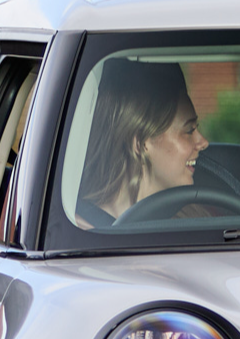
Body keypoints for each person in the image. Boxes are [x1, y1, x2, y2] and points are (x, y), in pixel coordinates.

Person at [75, 60, 207, 225]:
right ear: (140, 143)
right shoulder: (80, 230)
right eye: (189, 131)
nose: (203, 142)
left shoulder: (195, 217)